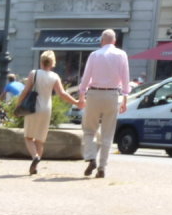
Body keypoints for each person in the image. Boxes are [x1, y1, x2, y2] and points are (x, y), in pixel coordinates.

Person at [77, 28, 130, 179]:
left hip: (94, 93)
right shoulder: (122, 55)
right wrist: (124, 99)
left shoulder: (94, 55)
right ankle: (102, 167)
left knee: (88, 129)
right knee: (108, 133)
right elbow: (125, 78)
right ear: (115, 41)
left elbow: (86, 77)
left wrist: (82, 95)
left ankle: (91, 156)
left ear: (101, 40)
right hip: (112, 94)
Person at [17, 51, 79, 175]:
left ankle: (35, 157)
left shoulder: (34, 74)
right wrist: (76, 102)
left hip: (33, 107)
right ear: (53, 63)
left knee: (29, 137)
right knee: (40, 140)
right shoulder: (55, 76)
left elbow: (25, 91)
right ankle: (35, 167)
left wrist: (18, 104)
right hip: (46, 108)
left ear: (41, 61)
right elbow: (62, 94)